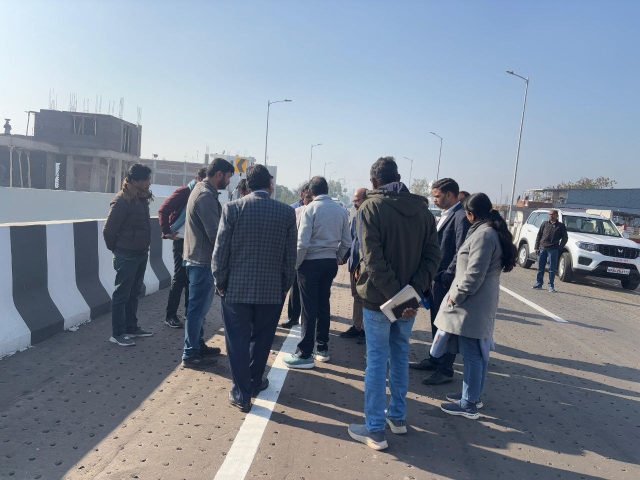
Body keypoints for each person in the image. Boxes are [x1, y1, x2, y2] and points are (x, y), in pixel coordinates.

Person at [347, 157, 440, 451]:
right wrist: (410, 293)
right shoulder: (424, 212)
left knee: (376, 361)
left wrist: (393, 295)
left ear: (373, 182)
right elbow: (433, 258)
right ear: (399, 178)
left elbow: (372, 260)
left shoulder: (369, 208)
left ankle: (374, 429)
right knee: (399, 356)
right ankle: (397, 418)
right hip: (408, 302)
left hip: (377, 301)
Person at [213, 165, 297, 412]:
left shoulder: (233, 208)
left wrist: (220, 282)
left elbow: (220, 252)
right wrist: (284, 286)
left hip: (236, 290)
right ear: (270, 185)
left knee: (236, 341)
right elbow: (289, 257)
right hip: (271, 291)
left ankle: (242, 394)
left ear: (247, 185)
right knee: (262, 340)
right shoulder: (285, 212)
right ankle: (255, 380)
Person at [436, 193, 517, 419]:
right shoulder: (488, 231)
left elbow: (473, 275)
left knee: (472, 354)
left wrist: (456, 297)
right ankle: (472, 396)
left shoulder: (484, 235)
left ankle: (469, 403)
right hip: (478, 302)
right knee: (476, 354)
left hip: (473, 304)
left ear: (471, 214)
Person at [283, 176, 351, 369]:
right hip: (330, 263)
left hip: (310, 263)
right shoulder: (340, 210)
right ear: (327, 190)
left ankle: (304, 353)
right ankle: (322, 349)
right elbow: (347, 241)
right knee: (323, 304)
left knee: (308, 308)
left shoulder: (309, 209)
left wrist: (296, 265)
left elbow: (302, 242)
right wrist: (336, 255)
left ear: (311, 193)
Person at [411, 178, 471, 386]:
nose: (434, 200)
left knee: (446, 326)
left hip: (446, 281)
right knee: (437, 322)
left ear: (450, 194)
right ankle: (435, 359)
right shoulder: (447, 215)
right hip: (436, 279)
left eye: (437, 196)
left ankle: (445, 369)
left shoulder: (461, 216)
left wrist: (447, 275)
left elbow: (461, 250)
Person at [181, 158, 235, 370]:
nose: (229, 181)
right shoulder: (204, 196)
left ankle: (197, 345)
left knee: (199, 309)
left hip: (198, 258)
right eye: (229, 176)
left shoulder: (204, 192)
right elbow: (215, 234)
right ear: (219, 174)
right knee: (197, 309)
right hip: (201, 260)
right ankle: (190, 353)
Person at [103, 163, 155, 347]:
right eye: (146, 179)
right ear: (135, 181)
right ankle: (117, 333)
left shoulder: (140, 198)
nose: (149, 182)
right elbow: (109, 230)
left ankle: (131, 327)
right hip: (126, 254)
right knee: (121, 295)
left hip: (140, 253)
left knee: (134, 292)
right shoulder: (122, 200)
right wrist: (118, 250)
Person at [158, 167, 207, 328]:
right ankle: (170, 315)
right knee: (180, 278)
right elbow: (163, 210)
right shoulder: (184, 192)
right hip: (180, 240)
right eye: (202, 180)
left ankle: (189, 312)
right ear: (197, 178)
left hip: (194, 241)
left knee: (191, 279)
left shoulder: (203, 195)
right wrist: (166, 232)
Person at [280, 183, 313, 329]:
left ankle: (312, 317)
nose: (309, 200)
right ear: (302, 195)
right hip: (296, 253)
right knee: (294, 288)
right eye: (307, 196)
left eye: (311, 197)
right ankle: (293, 317)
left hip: (312, 256)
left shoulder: (317, 210)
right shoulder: (294, 210)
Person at [339, 187, 368, 344]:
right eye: (354, 201)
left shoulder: (372, 215)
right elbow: (351, 239)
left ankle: (366, 330)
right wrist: (344, 257)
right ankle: (357, 327)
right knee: (357, 296)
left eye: (357, 200)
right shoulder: (356, 216)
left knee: (367, 298)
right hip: (355, 264)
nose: (354, 203)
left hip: (367, 266)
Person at [532, 209, 568, 293]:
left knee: (552, 269)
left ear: (556, 216)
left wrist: (559, 248)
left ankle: (550, 285)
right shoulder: (544, 224)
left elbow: (565, 238)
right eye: (549, 214)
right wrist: (536, 247)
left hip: (553, 249)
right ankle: (539, 283)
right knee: (540, 267)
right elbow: (539, 235)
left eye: (552, 214)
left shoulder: (561, 226)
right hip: (542, 248)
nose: (551, 216)